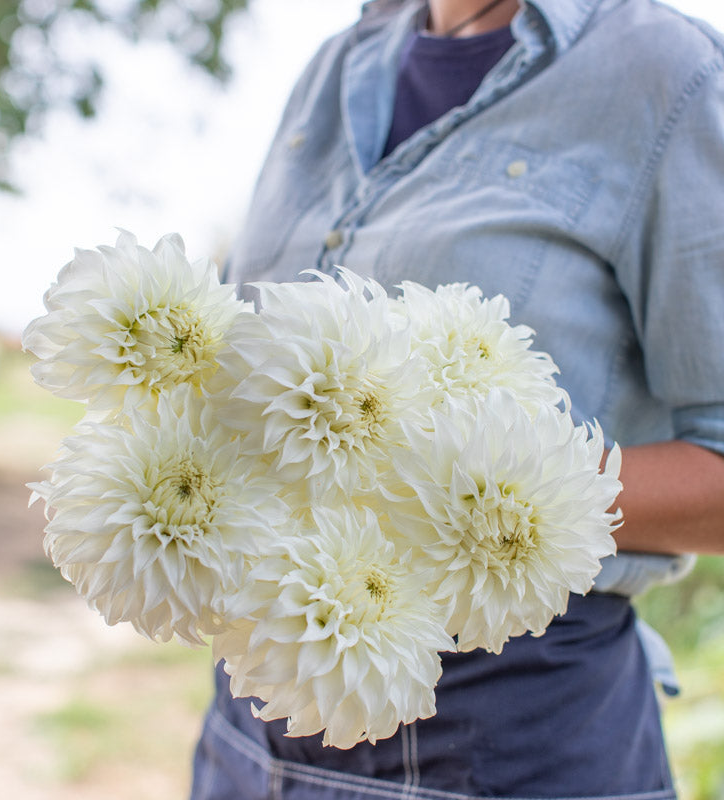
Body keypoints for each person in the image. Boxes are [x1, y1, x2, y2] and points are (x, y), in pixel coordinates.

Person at [191, 1, 724, 797]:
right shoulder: (336, 65)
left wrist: (498, 496)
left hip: (506, 737)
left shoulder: (668, 73)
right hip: (252, 724)